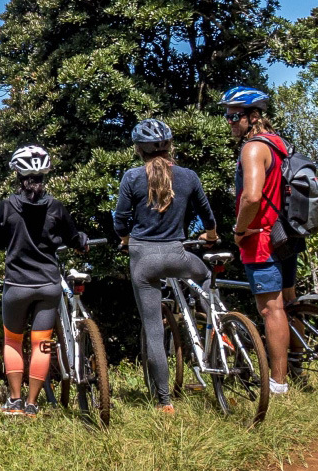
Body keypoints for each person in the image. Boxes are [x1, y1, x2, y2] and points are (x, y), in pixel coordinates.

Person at [113, 119, 219, 414]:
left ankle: (164, 402)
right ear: (170, 146)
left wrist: (125, 240)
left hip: (144, 260)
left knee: (153, 331)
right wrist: (209, 237)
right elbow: (208, 219)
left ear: (138, 150)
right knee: (206, 277)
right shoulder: (188, 176)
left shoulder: (131, 178)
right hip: (178, 255)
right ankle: (211, 320)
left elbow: (121, 221)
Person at [0, 144, 95, 417]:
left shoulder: (7, 207)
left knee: (13, 341)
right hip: (48, 285)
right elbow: (74, 239)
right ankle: (33, 404)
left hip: (16, 285)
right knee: (41, 343)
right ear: (44, 176)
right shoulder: (56, 208)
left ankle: (14, 402)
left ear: (17, 175)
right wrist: (80, 241)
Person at [220, 85, 298, 396]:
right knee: (289, 303)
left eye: (234, 116)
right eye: (227, 116)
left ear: (253, 117)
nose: (229, 122)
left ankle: (278, 382)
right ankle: (297, 367)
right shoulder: (279, 143)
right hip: (286, 234)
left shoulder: (252, 148)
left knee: (271, 309)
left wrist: (239, 230)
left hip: (261, 237)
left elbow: (252, 197)